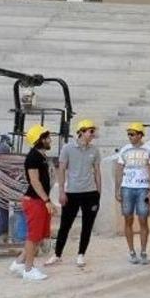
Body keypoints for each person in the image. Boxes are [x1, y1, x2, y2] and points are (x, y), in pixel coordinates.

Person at [47, 119, 101, 268]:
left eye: (93, 131)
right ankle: (57, 254)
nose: (92, 134)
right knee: (65, 225)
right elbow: (61, 170)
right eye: (90, 131)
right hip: (72, 193)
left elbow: (97, 171)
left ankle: (81, 254)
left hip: (90, 193)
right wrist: (62, 192)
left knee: (87, 225)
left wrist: (99, 192)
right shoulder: (67, 148)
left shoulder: (94, 150)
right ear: (81, 132)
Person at [9, 125, 54, 281]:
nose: (50, 139)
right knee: (33, 237)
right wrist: (47, 200)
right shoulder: (33, 157)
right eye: (47, 137)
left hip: (39, 200)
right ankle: (28, 270)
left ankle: (19, 262)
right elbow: (35, 181)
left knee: (39, 236)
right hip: (35, 201)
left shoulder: (40, 156)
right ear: (40, 140)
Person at [115, 122, 150, 265]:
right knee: (128, 219)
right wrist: (117, 188)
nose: (130, 137)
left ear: (140, 135)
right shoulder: (125, 150)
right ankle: (131, 251)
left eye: (132, 134)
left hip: (143, 188)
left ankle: (143, 251)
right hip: (127, 188)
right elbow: (119, 169)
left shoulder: (149, 150)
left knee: (143, 219)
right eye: (129, 134)